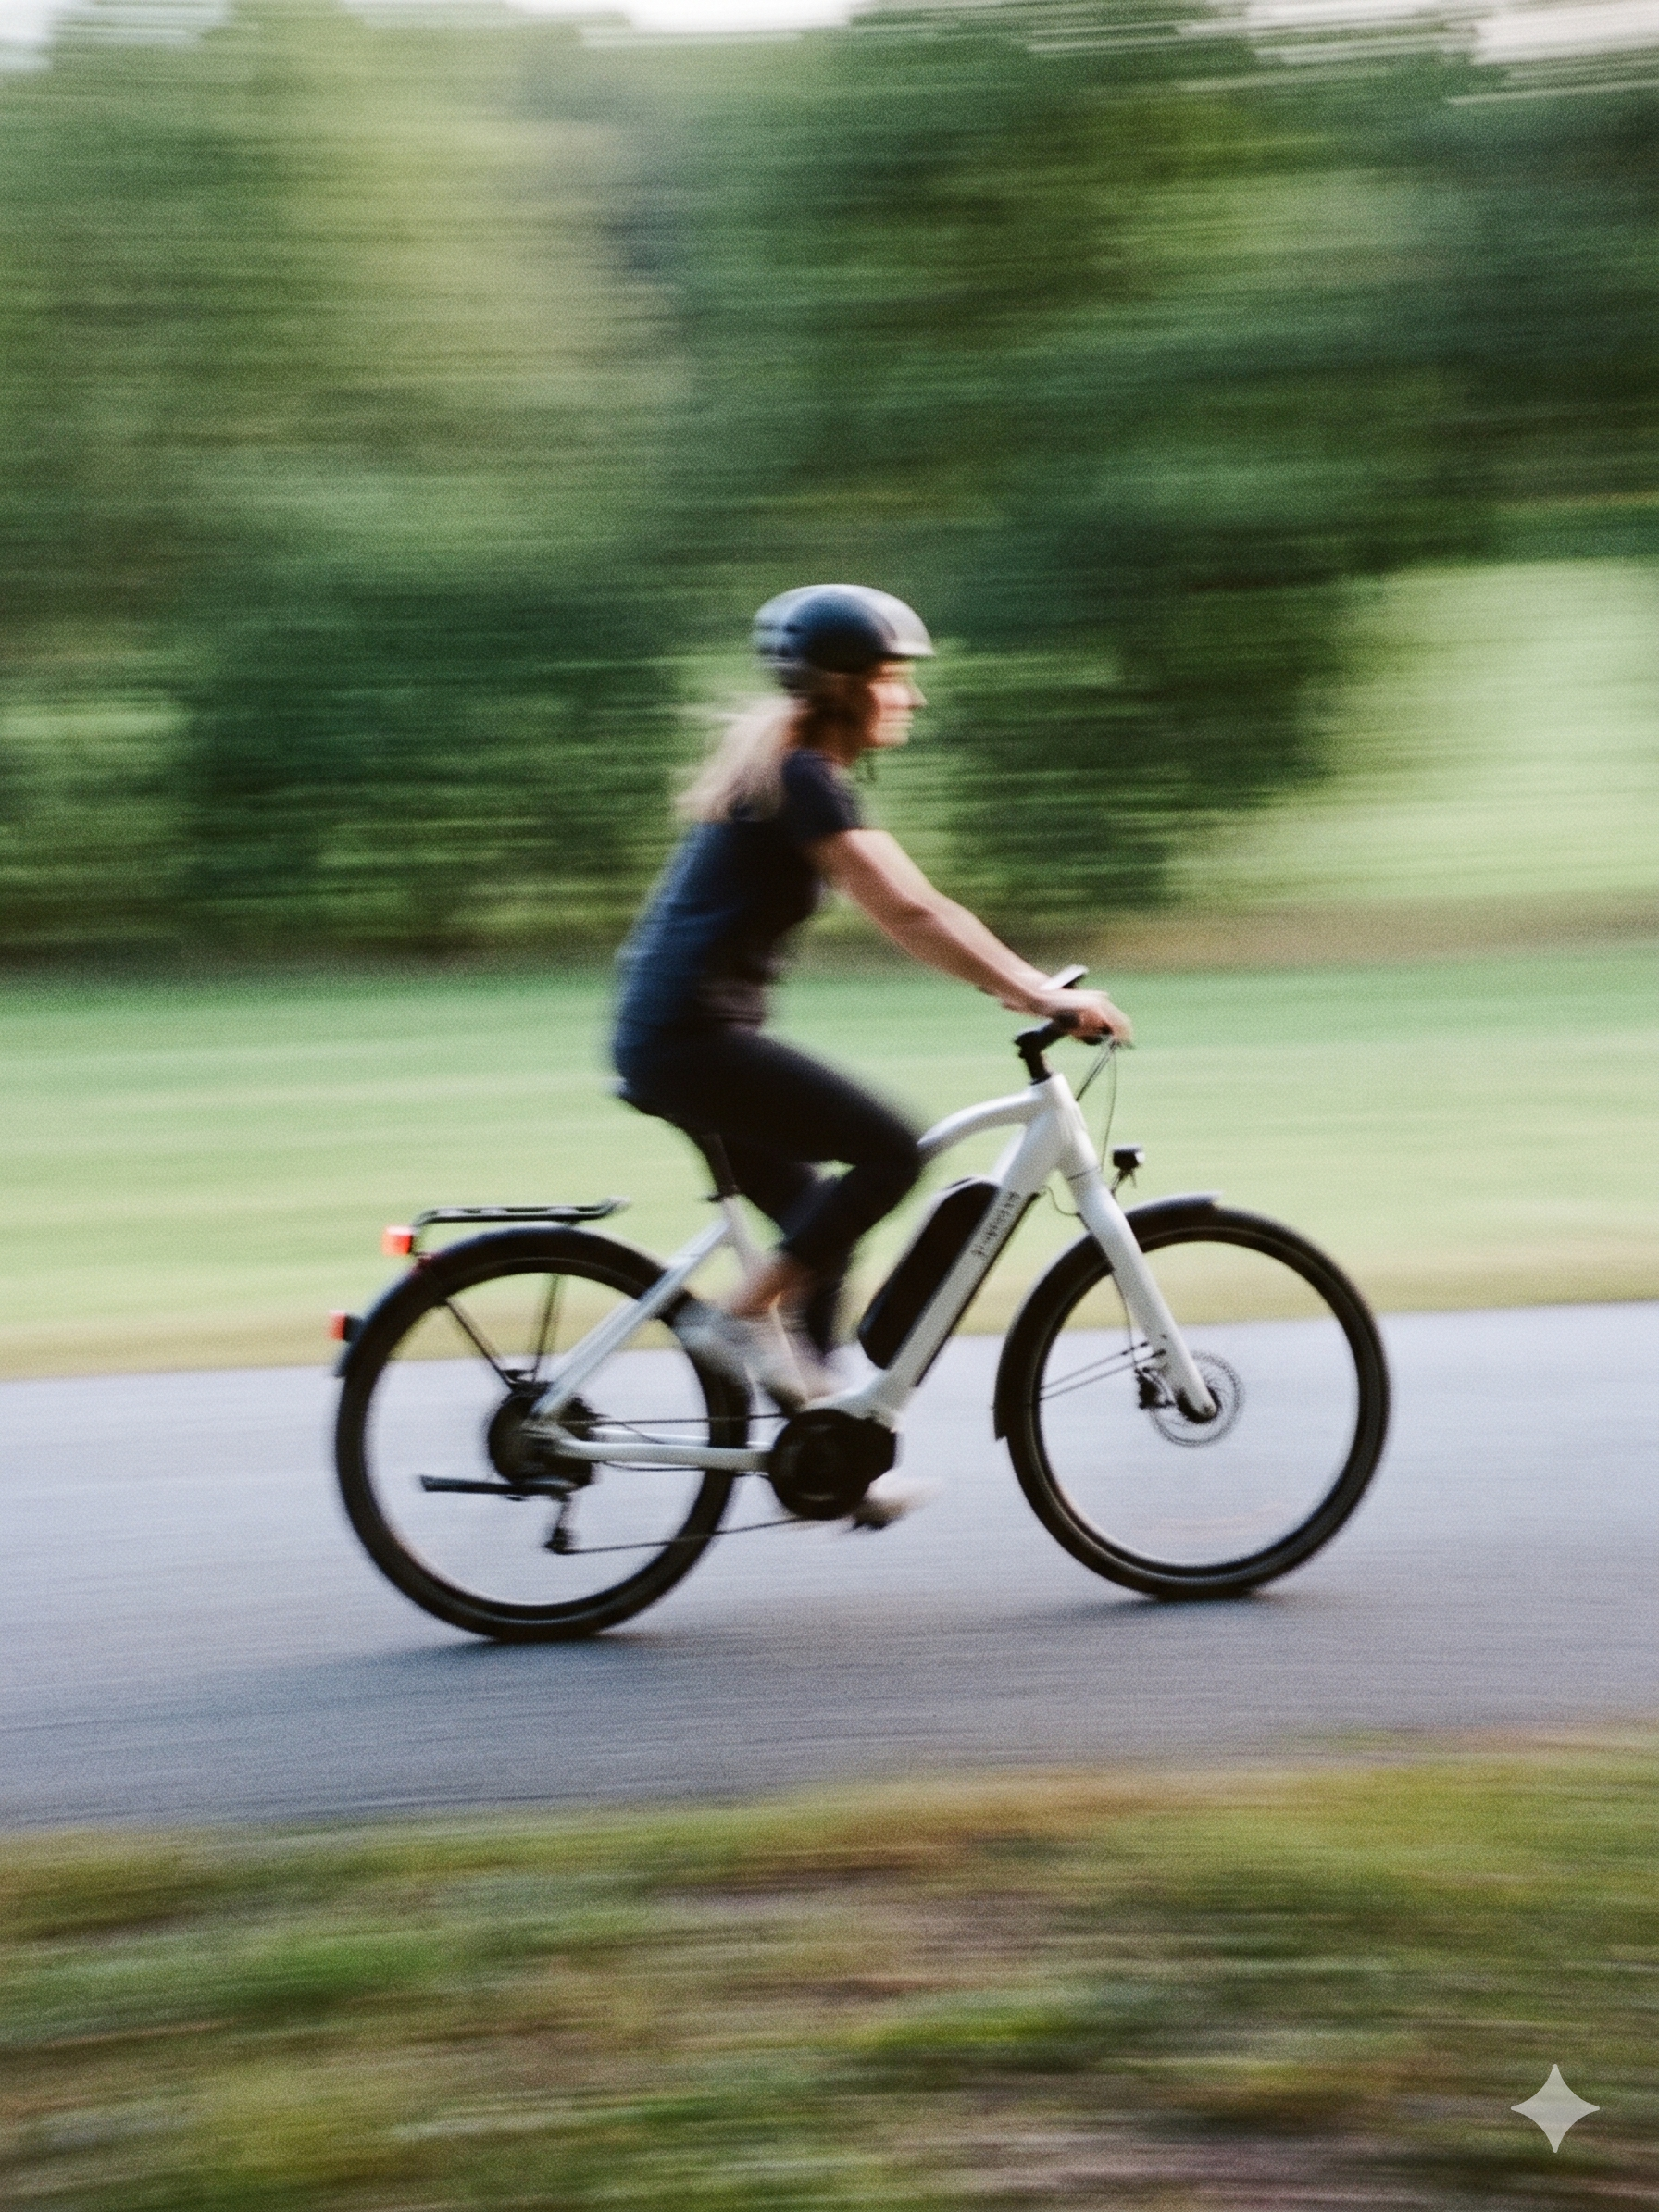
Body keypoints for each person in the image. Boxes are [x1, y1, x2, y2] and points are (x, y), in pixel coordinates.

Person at [612, 583, 1131, 1410]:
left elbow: (915, 907)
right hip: (691, 1043)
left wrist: (1024, 987)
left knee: (823, 1226)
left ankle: (824, 1439)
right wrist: (1037, 992)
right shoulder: (801, 778)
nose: (911, 695)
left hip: (678, 1040)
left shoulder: (794, 770)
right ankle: (743, 1320)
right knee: (892, 1154)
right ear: (847, 687)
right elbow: (911, 909)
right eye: (895, 676)